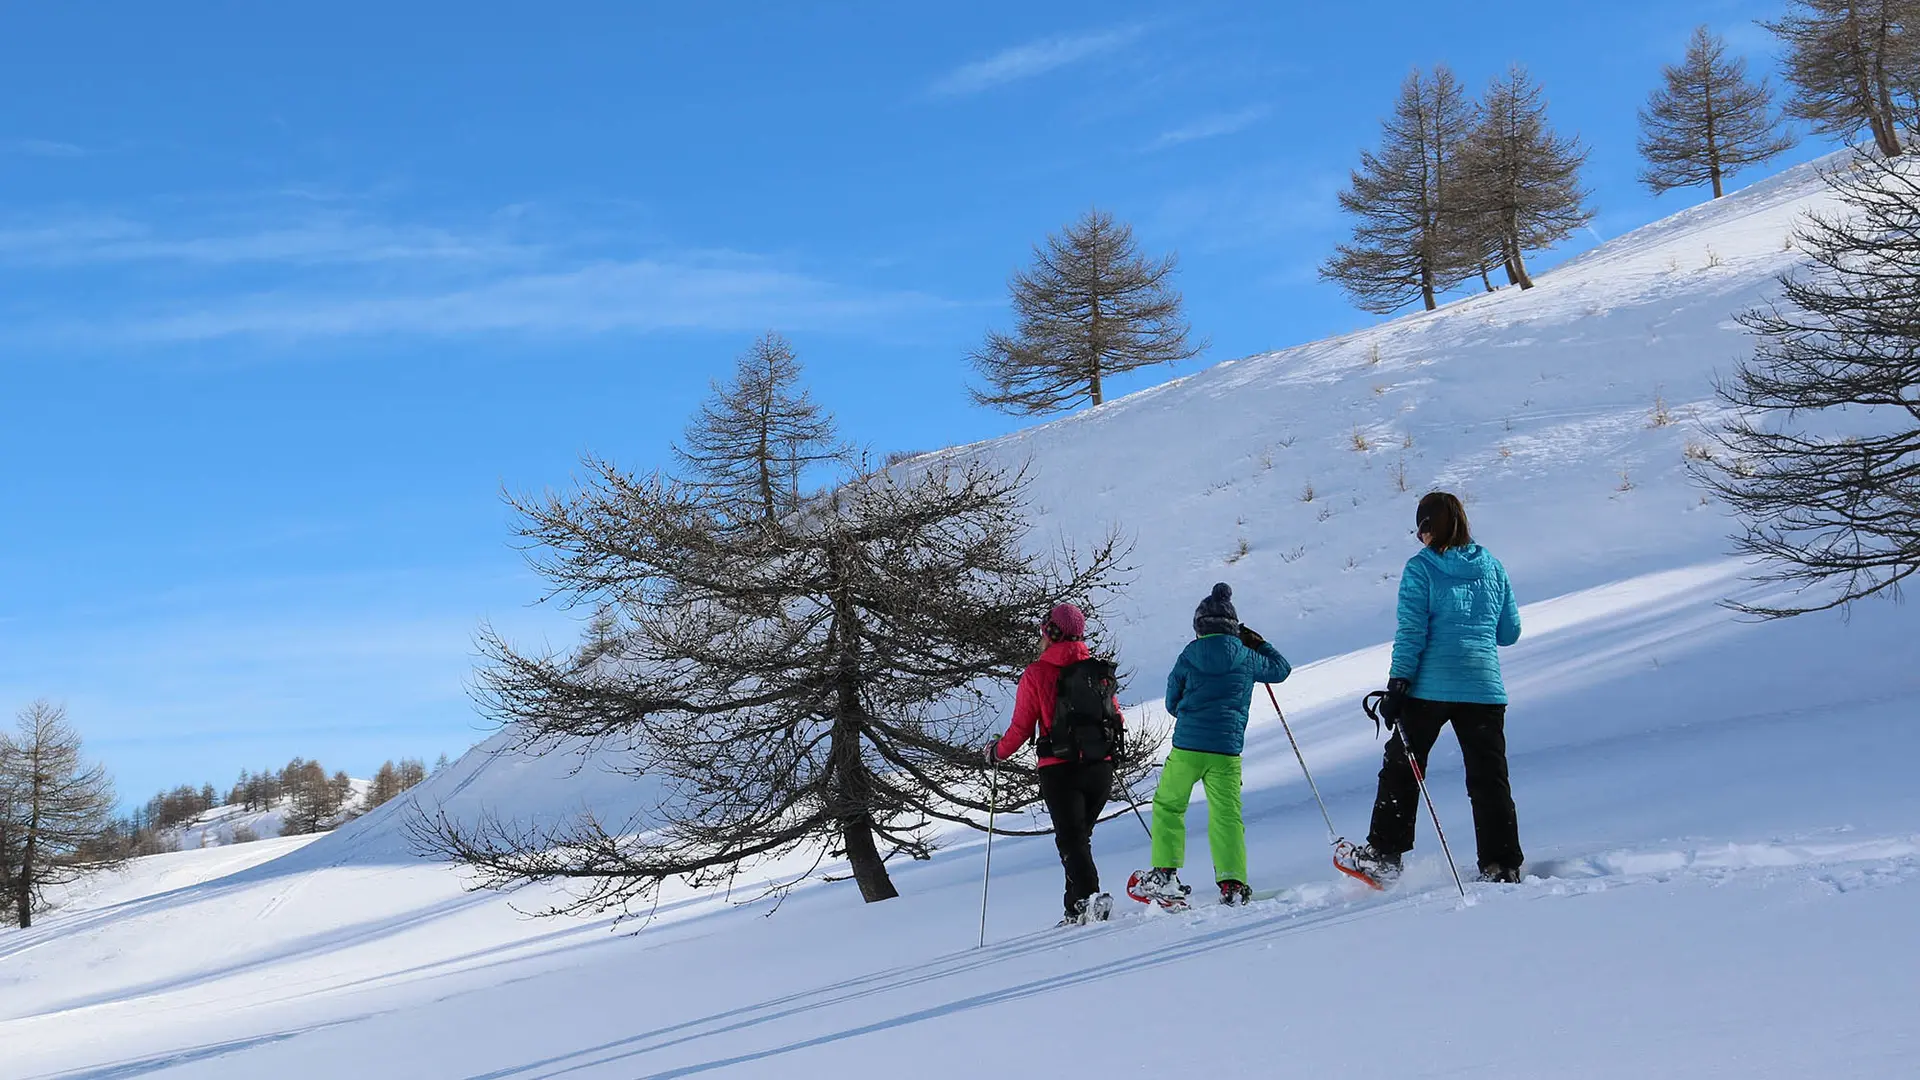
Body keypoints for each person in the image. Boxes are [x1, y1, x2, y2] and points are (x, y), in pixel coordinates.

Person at [1351, 491, 1525, 885]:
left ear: (1429, 528)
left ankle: (1383, 855)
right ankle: (1501, 865)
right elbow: (1510, 632)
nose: (1419, 539)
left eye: (1419, 529)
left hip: (1429, 688)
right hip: (1483, 687)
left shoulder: (1421, 569)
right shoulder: (1493, 567)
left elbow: (1412, 632)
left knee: (1402, 767)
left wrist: (1397, 686)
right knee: (1489, 777)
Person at [1133, 583, 1292, 907]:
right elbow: (1281, 669)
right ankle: (1232, 883)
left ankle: (1165, 874)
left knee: (1168, 806)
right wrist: (1259, 643)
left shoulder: (1189, 655)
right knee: (1226, 816)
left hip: (1188, 747)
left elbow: (1171, 701)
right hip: (1226, 751)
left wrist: (1188, 713)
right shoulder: (1247, 657)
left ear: (1199, 626)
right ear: (1233, 627)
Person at [987, 602, 1126, 926]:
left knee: (1071, 839)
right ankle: (1074, 907)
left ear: (1050, 633)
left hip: (1060, 768)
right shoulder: (1098, 672)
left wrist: (996, 752)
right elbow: (1116, 716)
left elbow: (1021, 729)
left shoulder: (1036, 674)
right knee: (1079, 838)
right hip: (1099, 766)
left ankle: (1090, 899)